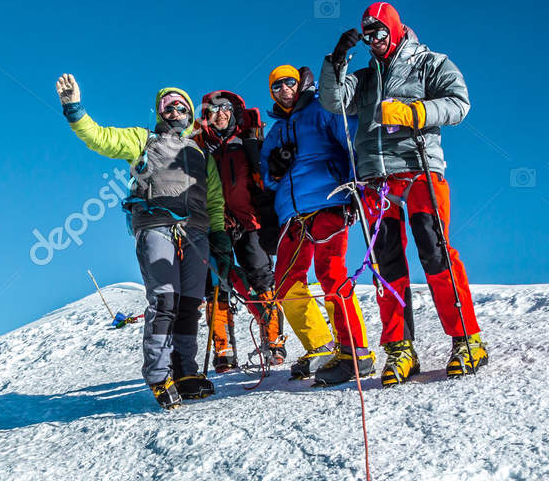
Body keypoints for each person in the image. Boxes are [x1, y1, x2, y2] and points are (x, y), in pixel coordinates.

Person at [318, 2, 488, 383]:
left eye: (380, 33)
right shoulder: (362, 79)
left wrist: (414, 113)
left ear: (394, 29)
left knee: (434, 251)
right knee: (386, 262)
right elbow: (333, 101)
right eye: (367, 37)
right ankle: (400, 347)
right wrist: (338, 60)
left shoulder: (430, 63)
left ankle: (466, 339)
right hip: (376, 180)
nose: (374, 42)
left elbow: (459, 103)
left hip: (419, 171)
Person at [56, 73, 226, 408]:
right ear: (160, 113)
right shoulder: (143, 140)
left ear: (190, 114)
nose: (174, 111)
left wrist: (219, 235)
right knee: (165, 300)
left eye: (181, 106)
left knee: (190, 303)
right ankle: (159, 375)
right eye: (167, 106)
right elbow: (101, 138)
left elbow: (215, 200)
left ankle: (186, 371)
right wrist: (74, 109)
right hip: (156, 225)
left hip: (196, 233)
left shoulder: (203, 156)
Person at [259, 65, 374, 384]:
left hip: (328, 201)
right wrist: (275, 170)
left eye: (289, 83)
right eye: (277, 85)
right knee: (283, 282)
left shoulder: (322, 109)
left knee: (331, 274)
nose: (284, 89)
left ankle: (355, 352)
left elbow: (350, 140)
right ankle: (321, 346)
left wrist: (358, 184)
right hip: (292, 215)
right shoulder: (274, 133)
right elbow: (266, 177)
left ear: (300, 84)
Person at [194, 90, 286, 371]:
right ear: (206, 116)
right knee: (216, 286)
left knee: (262, 279)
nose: (220, 113)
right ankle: (224, 350)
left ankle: (274, 343)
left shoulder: (248, 143)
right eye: (213, 109)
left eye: (225, 108)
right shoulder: (198, 147)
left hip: (250, 221)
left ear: (234, 113)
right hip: (214, 224)